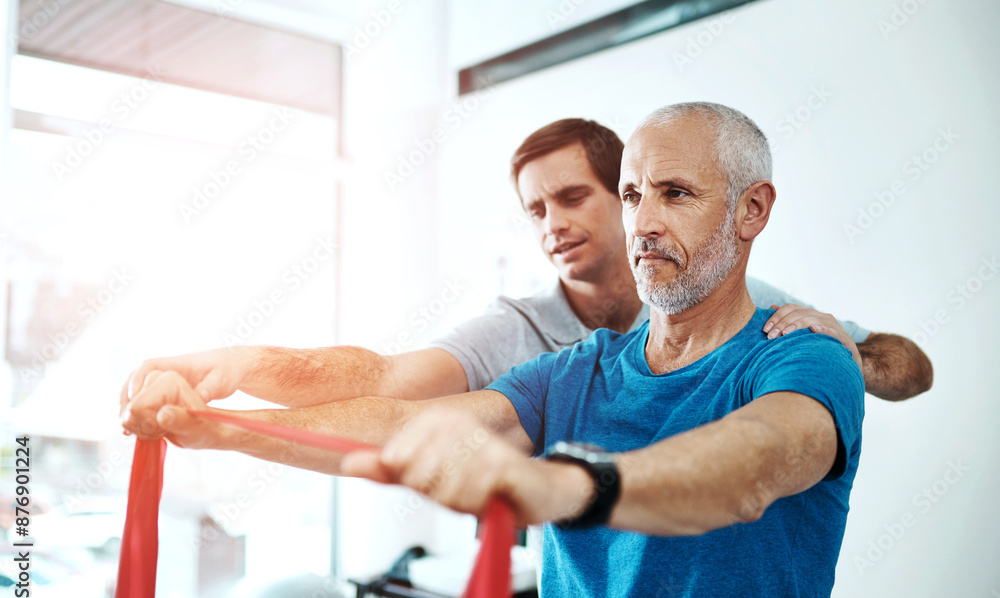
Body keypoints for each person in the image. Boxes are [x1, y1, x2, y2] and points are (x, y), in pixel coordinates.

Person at [124, 102, 887, 598]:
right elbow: (397, 409)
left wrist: (566, 486)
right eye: (632, 196)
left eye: (676, 194)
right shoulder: (569, 364)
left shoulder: (803, 353)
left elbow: (753, 464)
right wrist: (219, 425)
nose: (644, 221)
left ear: (752, 210)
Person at [120, 121, 931, 422]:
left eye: (574, 198)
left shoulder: (759, 311)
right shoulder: (521, 332)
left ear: (629, 202)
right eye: (535, 211)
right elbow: (384, 375)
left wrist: (844, 351)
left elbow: (910, 371)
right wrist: (228, 367)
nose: (553, 226)